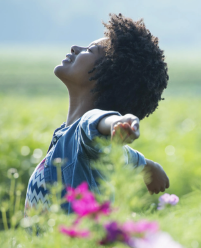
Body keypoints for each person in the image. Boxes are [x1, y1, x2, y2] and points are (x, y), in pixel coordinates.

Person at [24, 13, 170, 215]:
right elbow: (117, 150)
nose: (75, 47)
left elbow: (95, 123)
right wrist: (147, 166)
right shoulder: (70, 138)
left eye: (90, 50)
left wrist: (117, 122)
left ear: (107, 75)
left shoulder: (86, 128)